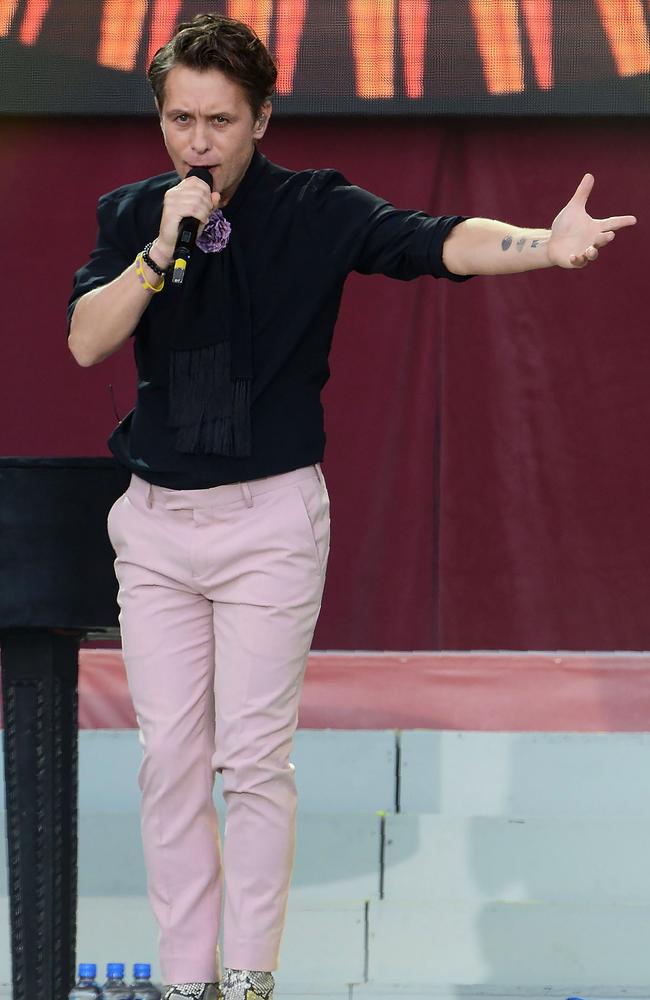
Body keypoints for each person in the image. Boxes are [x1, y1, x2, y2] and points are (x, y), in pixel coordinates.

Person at [67, 13, 636, 1000]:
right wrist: (160, 252)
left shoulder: (312, 208)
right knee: (167, 761)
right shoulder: (135, 215)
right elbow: (85, 338)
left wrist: (544, 244)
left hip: (266, 520)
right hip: (155, 523)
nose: (196, 143)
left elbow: (434, 242)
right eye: (178, 119)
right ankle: (182, 978)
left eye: (218, 120)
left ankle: (245, 977)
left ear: (261, 118)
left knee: (249, 757)